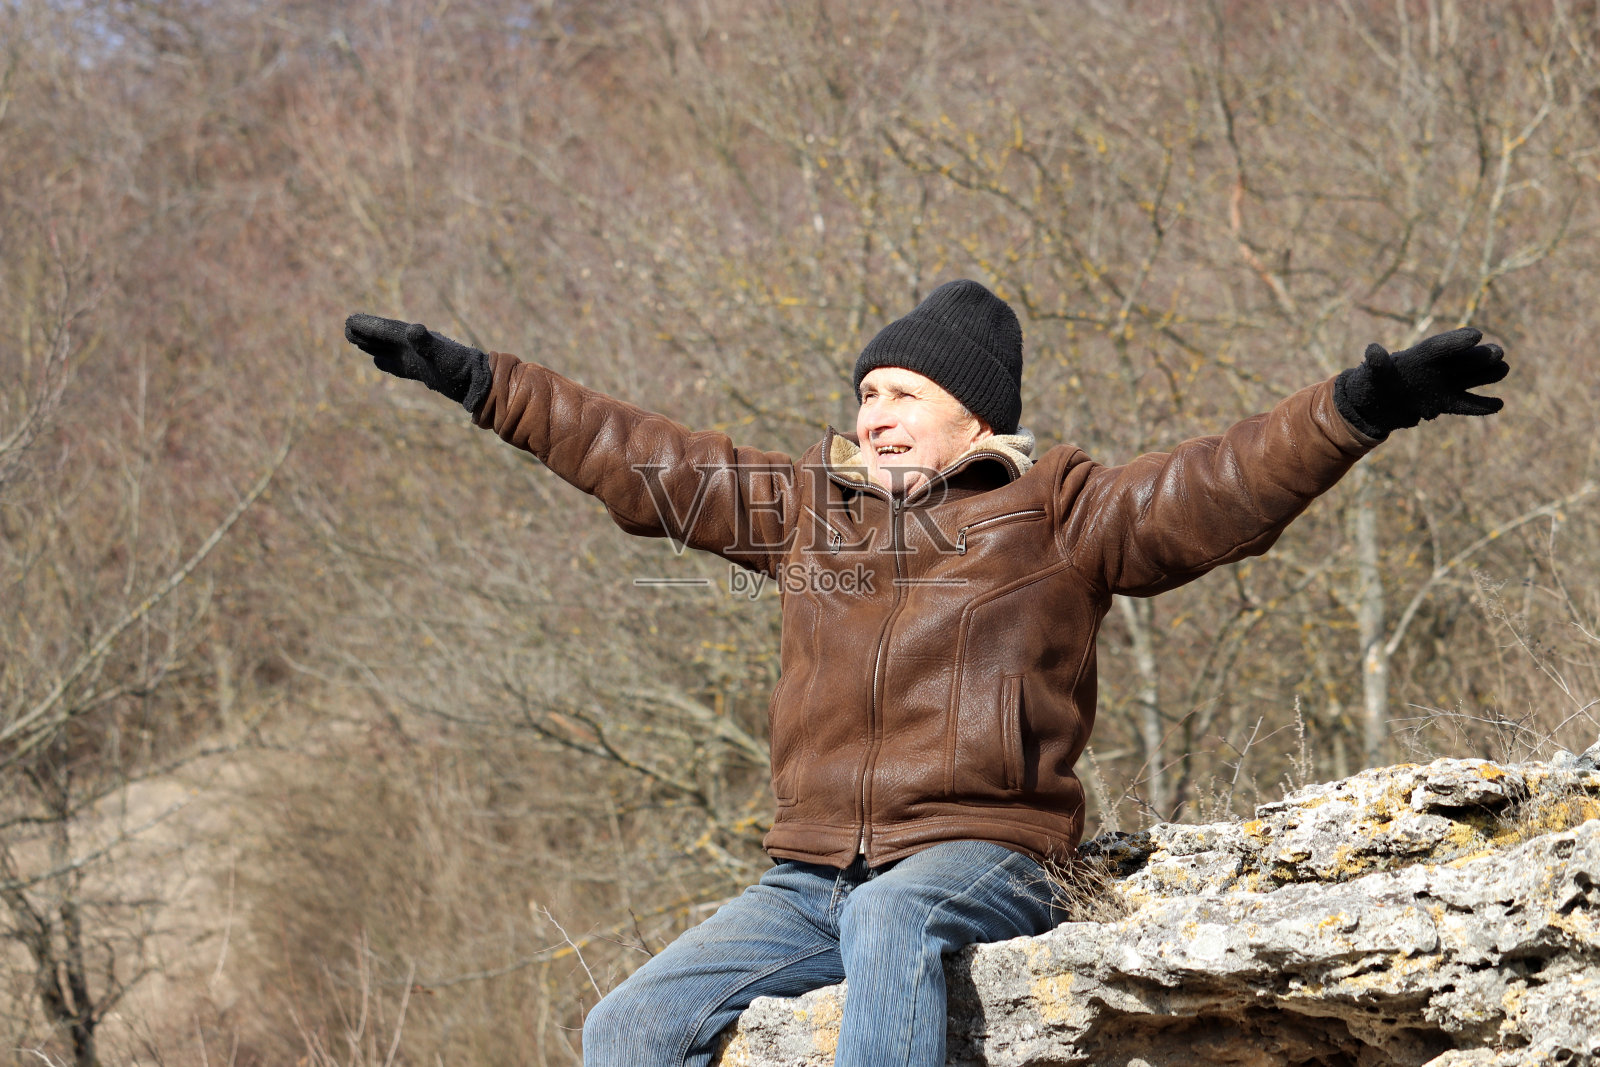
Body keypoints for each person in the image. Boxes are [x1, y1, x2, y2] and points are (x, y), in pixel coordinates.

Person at [344, 280, 1508, 1066]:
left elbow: (1212, 486)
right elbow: (646, 459)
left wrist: (1360, 406)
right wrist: (482, 382)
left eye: (900, 392)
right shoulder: (807, 514)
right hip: (805, 881)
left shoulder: (1059, 507)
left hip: (982, 852)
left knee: (899, 913)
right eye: (863, 395)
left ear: (971, 413)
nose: (873, 414)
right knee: (629, 1018)